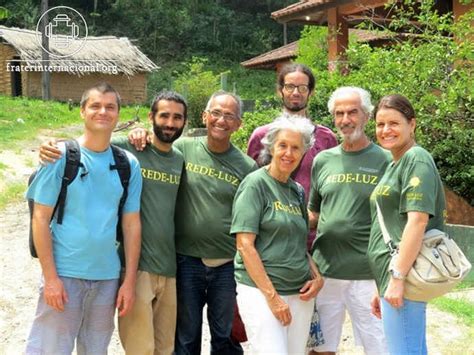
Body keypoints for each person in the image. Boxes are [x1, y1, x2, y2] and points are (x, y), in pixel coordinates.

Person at [39, 91, 188, 355]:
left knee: (160, 348)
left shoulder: (178, 159)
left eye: (177, 117)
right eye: (164, 115)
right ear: (151, 116)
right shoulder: (130, 150)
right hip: (129, 267)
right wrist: (52, 146)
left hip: (166, 268)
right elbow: (92, 140)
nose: (170, 123)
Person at [127, 90, 257, 354]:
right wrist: (139, 133)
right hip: (186, 261)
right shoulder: (182, 149)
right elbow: (157, 145)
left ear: (239, 124)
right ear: (204, 116)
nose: (221, 120)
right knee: (185, 336)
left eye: (230, 116)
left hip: (227, 265)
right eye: (216, 113)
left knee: (225, 337)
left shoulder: (247, 167)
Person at [25, 83, 142, 355]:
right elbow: (40, 219)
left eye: (110, 107)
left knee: (95, 350)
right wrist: (50, 278)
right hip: (64, 274)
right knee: (49, 350)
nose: (103, 111)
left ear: (118, 114)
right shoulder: (59, 157)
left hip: (107, 277)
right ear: (82, 111)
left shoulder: (128, 164)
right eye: (95, 106)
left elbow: (131, 225)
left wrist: (129, 281)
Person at [231, 114, 323, 354]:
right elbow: (244, 245)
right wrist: (273, 298)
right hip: (262, 293)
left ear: (304, 153)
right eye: (283, 145)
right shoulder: (255, 185)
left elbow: (298, 245)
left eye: (296, 148)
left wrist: (317, 276)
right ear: (271, 147)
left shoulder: (297, 191)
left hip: (300, 294)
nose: (288, 153)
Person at [307, 87, 389, 355]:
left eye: (352, 112)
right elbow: (314, 214)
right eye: (339, 113)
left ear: (367, 115)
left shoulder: (386, 160)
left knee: (379, 347)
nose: (345, 119)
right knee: (320, 349)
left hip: (368, 275)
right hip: (325, 272)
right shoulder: (323, 160)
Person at [368, 94, 446, 355]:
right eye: (380, 124)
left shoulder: (416, 158)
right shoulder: (396, 162)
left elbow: (418, 220)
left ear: (412, 124)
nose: (385, 130)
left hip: (406, 275)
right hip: (393, 276)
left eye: (394, 123)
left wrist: (398, 278)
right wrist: (384, 283)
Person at [246, 63, 337, 250]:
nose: (296, 92)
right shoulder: (261, 136)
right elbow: (251, 187)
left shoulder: (326, 138)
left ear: (311, 92)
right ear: (280, 91)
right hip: (271, 239)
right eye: (289, 87)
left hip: (314, 241)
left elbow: (332, 190)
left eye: (302, 87)